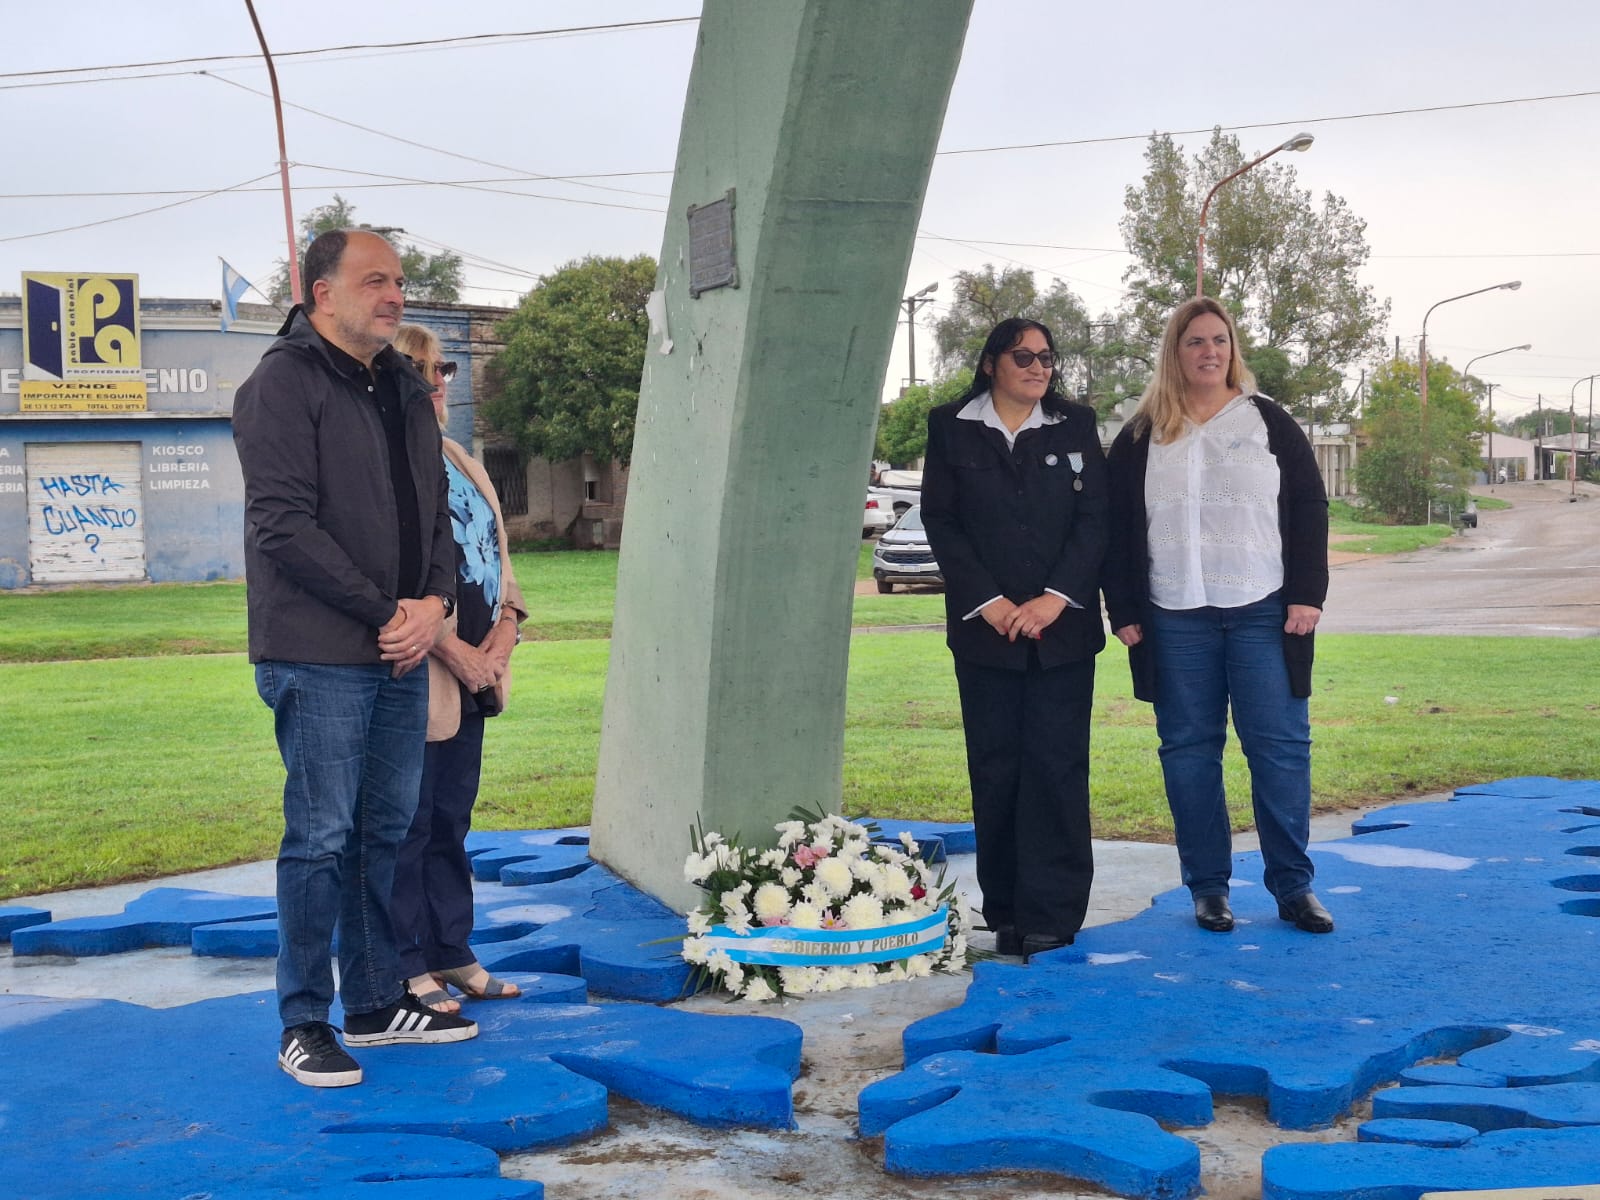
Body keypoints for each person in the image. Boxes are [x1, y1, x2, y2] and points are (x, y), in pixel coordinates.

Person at [234, 229, 478, 1090]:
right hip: (320, 652)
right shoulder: (280, 384)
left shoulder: (404, 386)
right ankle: (305, 1021)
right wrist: (390, 614)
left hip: (403, 650)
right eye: (374, 281)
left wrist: (435, 607)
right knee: (321, 839)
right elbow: (282, 526)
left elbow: (438, 517)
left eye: (400, 282)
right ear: (319, 292)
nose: (394, 295)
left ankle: (373, 1005)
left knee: (383, 830)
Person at [1102, 296, 1333, 936]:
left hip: (1263, 609)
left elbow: (1309, 509)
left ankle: (1293, 888)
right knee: (1188, 752)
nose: (1210, 352)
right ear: (1175, 353)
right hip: (1174, 616)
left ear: (1233, 350)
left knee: (1281, 751)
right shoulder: (1143, 433)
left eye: (1220, 341)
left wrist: (1307, 594)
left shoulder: (1268, 422)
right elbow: (1115, 528)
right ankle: (1208, 888)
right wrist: (1122, 607)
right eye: (1196, 341)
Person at [920, 318, 1108, 962]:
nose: (1038, 367)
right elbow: (941, 519)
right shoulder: (951, 426)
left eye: (1047, 357)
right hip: (986, 633)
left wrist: (1055, 599)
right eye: (1023, 356)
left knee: (1056, 768)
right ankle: (1006, 910)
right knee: (997, 769)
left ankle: (1053, 913)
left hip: (1062, 632)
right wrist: (991, 603)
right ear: (992, 362)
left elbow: (1096, 520)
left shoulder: (1075, 425)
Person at [389, 323, 528, 1012]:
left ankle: (452, 949)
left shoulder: (457, 458)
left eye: (441, 369)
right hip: (426, 670)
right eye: (420, 369)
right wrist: (457, 651)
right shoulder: (388, 462)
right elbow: (392, 579)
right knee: (408, 824)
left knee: (451, 820)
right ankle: (405, 962)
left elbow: (497, 560)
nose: (437, 382)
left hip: (478, 673)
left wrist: (504, 633)